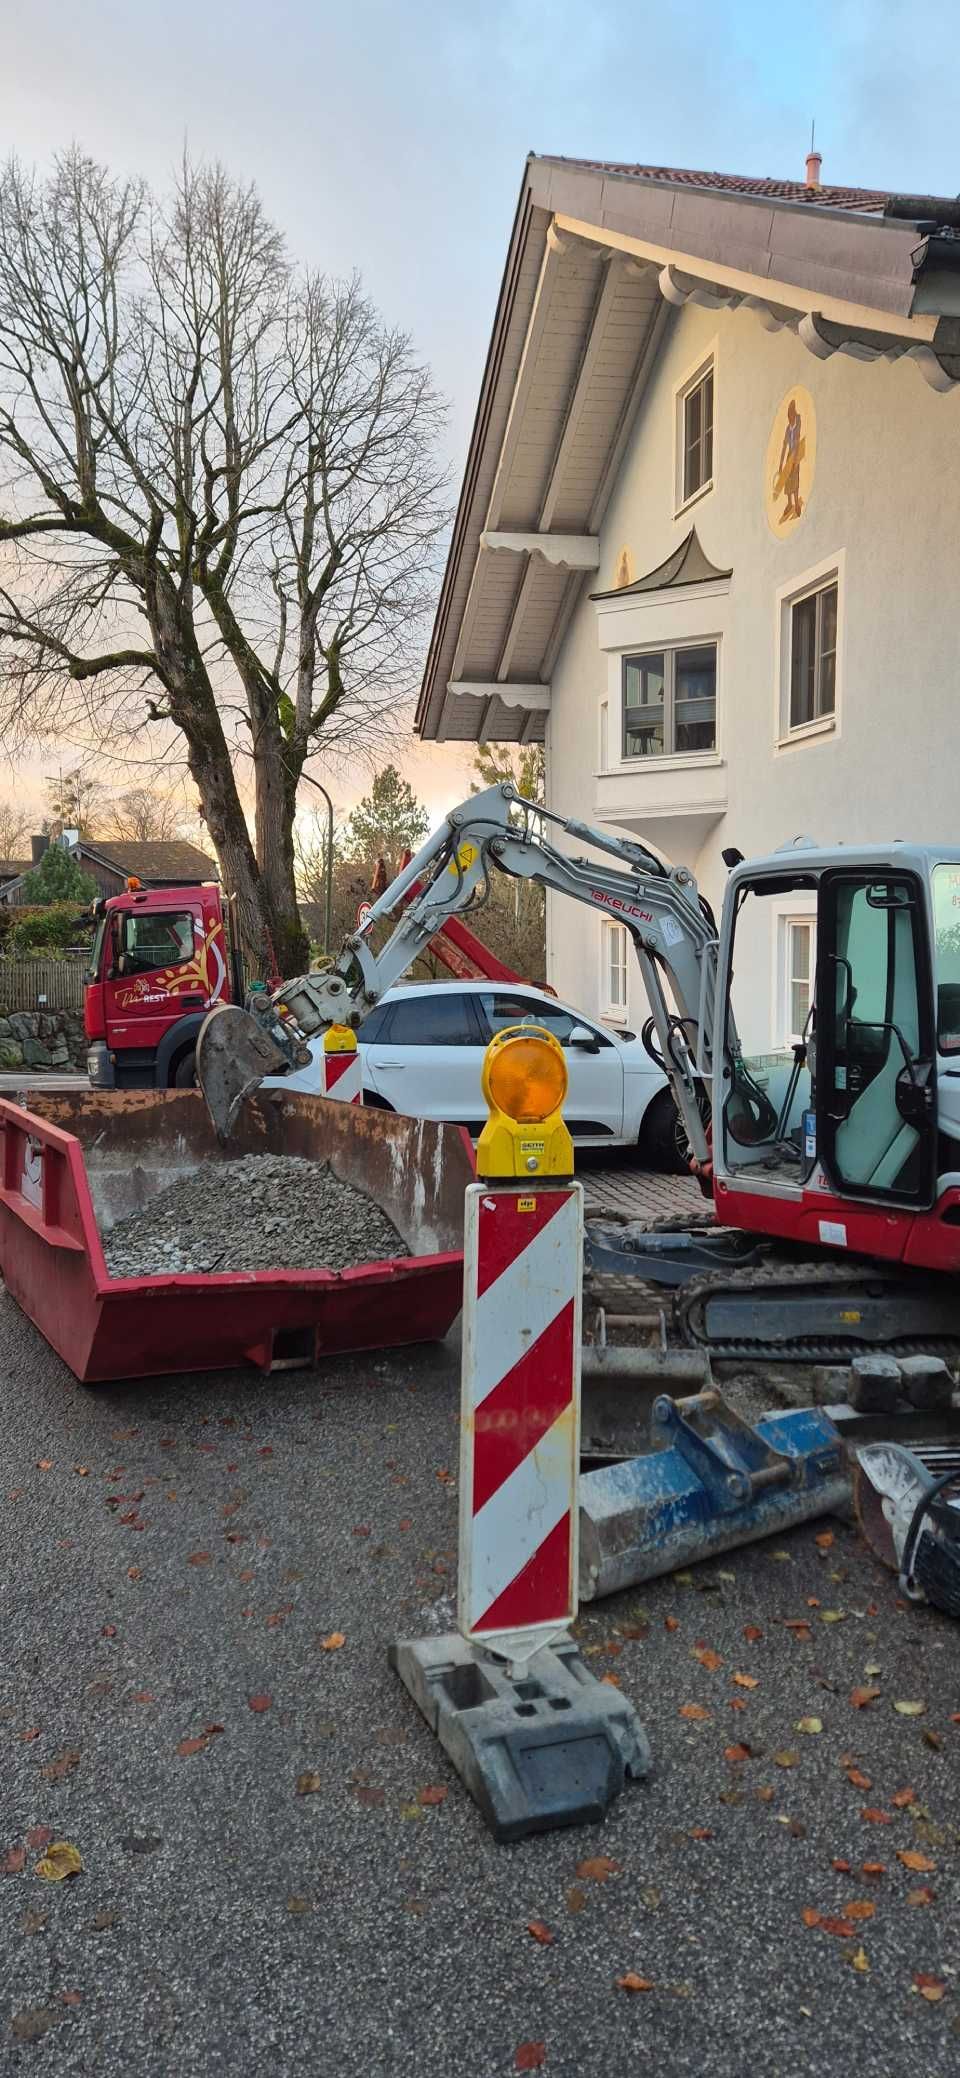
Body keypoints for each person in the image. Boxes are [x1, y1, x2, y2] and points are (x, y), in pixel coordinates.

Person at [774, 398, 804, 521]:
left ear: (793, 413)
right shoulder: (787, 428)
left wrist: (795, 459)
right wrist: (781, 464)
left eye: (790, 415)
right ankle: (789, 503)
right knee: (787, 480)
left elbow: (797, 440)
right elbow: (784, 445)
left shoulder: (798, 421)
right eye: (788, 416)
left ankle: (796, 503)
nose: (789, 418)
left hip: (795, 454)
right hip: (789, 455)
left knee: (795, 478)